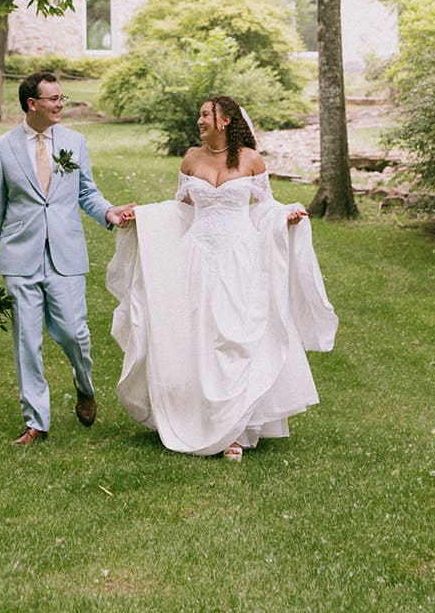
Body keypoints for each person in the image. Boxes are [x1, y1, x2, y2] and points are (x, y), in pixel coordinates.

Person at [107, 94, 338, 460]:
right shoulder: (191, 158)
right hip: (196, 257)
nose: (199, 120)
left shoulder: (250, 160)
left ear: (226, 119)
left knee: (234, 336)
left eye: (205, 115)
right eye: (199, 114)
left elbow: (263, 208)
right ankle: (197, 415)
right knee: (198, 336)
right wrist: (146, 217)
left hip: (239, 258)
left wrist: (284, 218)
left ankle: (235, 428)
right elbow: (180, 211)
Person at [0, 70, 134, 446]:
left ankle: (84, 384)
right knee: (27, 340)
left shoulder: (73, 142)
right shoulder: (3, 147)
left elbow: (86, 192)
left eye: (63, 98)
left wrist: (109, 213)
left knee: (73, 334)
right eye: (54, 99)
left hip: (65, 255)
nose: (61, 104)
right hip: (20, 258)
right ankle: (36, 423)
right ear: (33, 104)